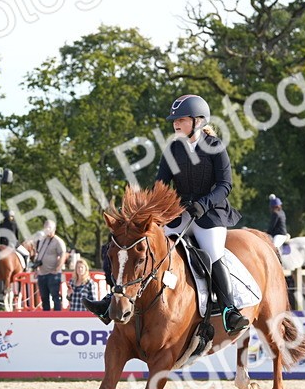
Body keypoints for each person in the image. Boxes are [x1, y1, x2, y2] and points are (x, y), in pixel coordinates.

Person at [87, 94, 249, 334]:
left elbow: (225, 186)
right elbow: (161, 184)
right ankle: (113, 297)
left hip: (210, 215)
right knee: (140, 245)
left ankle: (229, 310)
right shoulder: (173, 148)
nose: (175, 124)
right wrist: (145, 212)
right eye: (174, 120)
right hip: (180, 213)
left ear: (198, 121)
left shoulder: (215, 147)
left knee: (213, 254)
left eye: (181, 119)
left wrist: (203, 204)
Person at [32, 220, 67, 311]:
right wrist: (36, 268)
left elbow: (63, 254)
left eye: (49, 227)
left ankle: (57, 317)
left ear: (54, 229)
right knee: (44, 297)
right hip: (42, 273)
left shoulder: (58, 241)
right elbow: (39, 254)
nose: (47, 229)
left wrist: (57, 268)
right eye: (46, 227)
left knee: (55, 296)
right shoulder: (42, 240)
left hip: (53, 274)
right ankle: (46, 317)